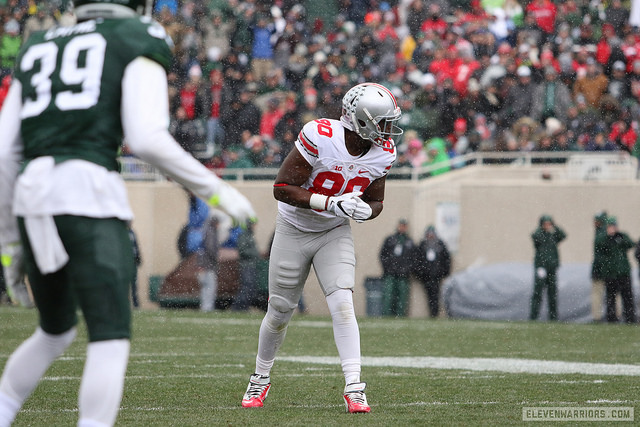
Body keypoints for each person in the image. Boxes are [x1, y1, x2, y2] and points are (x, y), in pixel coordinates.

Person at [0, 1, 256, 426]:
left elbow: (6, 152)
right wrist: (216, 192)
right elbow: (147, 137)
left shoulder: (38, 44)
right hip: (87, 193)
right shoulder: (137, 36)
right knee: (109, 337)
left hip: (32, 196)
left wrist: (8, 239)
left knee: (54, 330)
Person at [241, 82, 402, 413]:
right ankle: (260, 377)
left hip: (333, 232)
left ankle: (355, 386)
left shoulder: (384, 153)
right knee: (280, 310)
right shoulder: (320, 135)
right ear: (361, 120)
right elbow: (283, 188)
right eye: (383, 122)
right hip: (294, 229)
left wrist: (365, 211)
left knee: (343, 302)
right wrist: (331, 203)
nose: (388, 130)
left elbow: (376, 201)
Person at [596, 216, 636, 324]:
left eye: (613, 226)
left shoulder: (622, 236)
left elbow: (631, 244)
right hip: (610, 273)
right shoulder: (603, 238)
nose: (612, 228)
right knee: (610, 298)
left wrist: (620, 238)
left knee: (627, 296)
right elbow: (599, 246)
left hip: (623, 272)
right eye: (610, 226)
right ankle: (611, 318)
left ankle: (630, 318)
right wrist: (608, 238)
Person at [529, 215, 567, 321]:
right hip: (541, 268)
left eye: (549, 223)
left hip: (552, 268)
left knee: (552, 294)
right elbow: (535, 236)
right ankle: (533, 316)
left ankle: (553, 317)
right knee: (537, 293)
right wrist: (542, 229)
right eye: (545, 224)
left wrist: (555, 226)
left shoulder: (553, 235)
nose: (547, 226)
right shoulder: (539, 234)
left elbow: (563, 235)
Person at [379, 219, 415, 317]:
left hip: (403, 275)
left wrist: (407, 269)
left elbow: (413, 258)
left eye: (404, 226)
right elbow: (383, 255)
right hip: (390, 273)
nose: (402, 228)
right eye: (401, 225)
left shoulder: (409, 241)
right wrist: (388, 268)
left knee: (402, 297)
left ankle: (400, 315)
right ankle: (387, 315)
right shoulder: (390, 239)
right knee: (388, 295)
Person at [412, 225, 451, 318]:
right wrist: (420, 273)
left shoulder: (440, 245)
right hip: (426, 276)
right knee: (429, 296)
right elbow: (417, 260)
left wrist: (444, 272)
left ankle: (435, 313)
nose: (430, 236)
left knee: (435, 296)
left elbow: (446, 259)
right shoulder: (422, 245)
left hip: (436, 276)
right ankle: (431, 313)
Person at [591, 211, 608, 322]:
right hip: (603, 269)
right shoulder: (601, 232)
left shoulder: (602, 233)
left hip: (603, 269)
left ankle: (598, 317)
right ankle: (599, 316)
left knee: (598, 293)